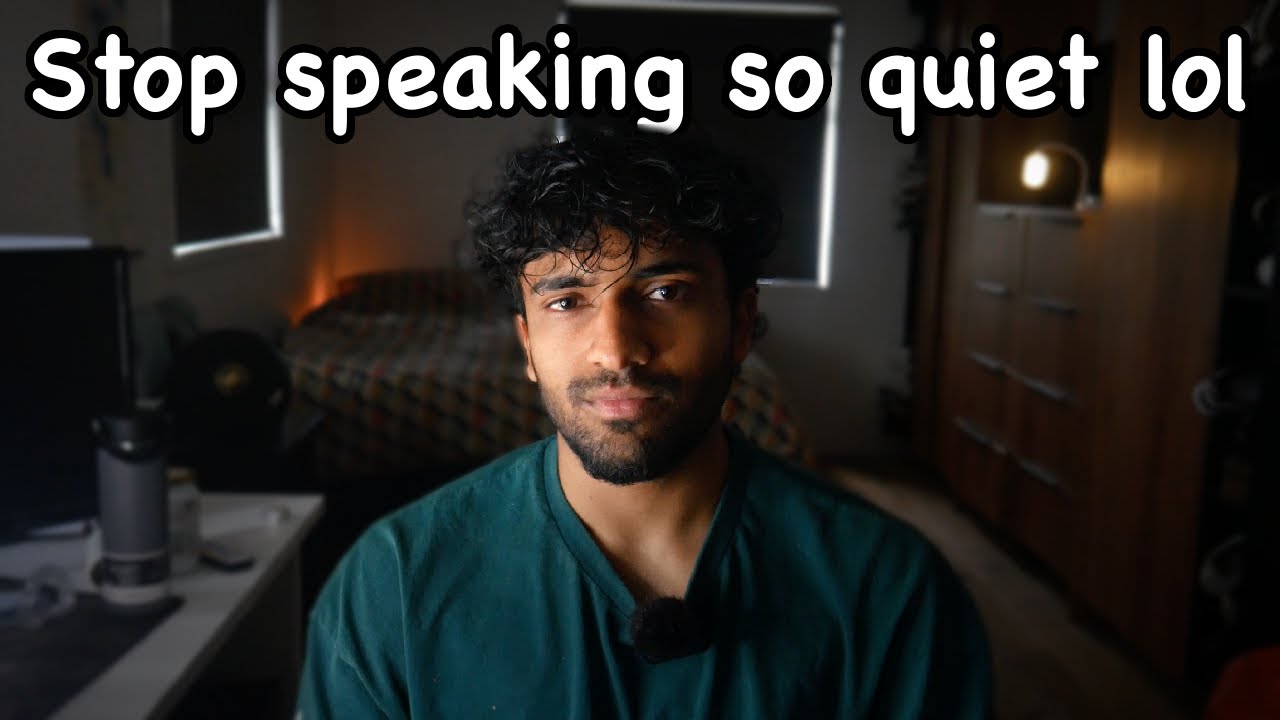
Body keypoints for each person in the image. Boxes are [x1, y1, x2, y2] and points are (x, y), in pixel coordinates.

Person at [295, 128, 992, 719]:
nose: (617, 350)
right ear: (527, 345)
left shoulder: (888, 588)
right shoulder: (393, 583)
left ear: (740, 323)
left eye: (664, 291)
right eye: (567, 301)